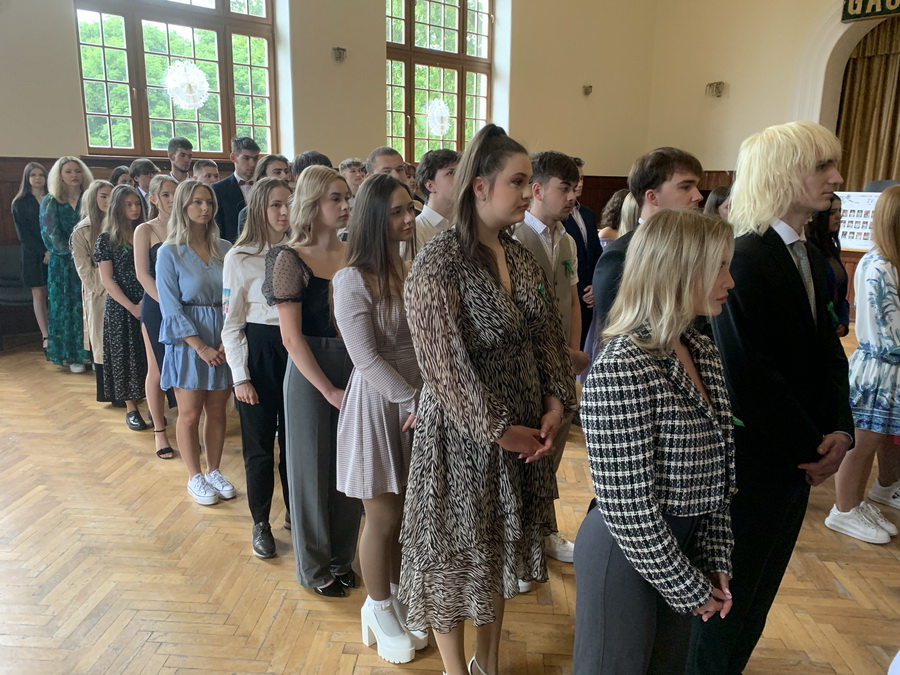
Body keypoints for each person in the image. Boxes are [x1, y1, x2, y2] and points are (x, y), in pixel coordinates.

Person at [400, 124, 576, 675]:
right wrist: (499, 428)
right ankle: (457, 670)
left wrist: (555, 403)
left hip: (522, 434)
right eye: (517, 182)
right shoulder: (439, 262)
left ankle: (488, 663)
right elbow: (442, 365)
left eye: (528, 182)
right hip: (461, 439)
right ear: (480, 186)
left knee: (496, 552)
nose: (528, 193)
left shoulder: (520, 256)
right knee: (455, 558)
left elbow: (548, 337)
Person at [686, 121, 854, 675]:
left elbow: (828, 351)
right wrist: (814, 447)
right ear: (783, 175)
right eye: (823, 167)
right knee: (730, 599)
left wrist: (841, 430)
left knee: (759, 594)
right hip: (755, 463)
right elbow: (748, 377)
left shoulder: (806, 252)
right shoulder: (745, 256)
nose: (837, 177)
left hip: (795, 458)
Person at [575, 209, 736, 674]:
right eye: (719, 267)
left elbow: (720, 469)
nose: (729, 281)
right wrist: (687, 584)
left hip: (679, 551)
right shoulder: (622, 365)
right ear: (678, 270)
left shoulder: (699, 349)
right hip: (625, 553)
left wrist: (715, 557)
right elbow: (627, 507)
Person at [333, 173, 424, 664]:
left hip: (418, 401)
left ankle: (398, 595)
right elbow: (365, 358)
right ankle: (378, 607)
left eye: (411, 208)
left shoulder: (411, 269)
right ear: (373, 218)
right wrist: (411, 400)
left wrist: (428, 396)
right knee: (382, 516)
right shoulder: (351, 279)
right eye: (397, 212)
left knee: (406, 513)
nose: (409, 219)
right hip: (379, 403)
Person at [263, 165, 361, 597]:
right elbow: (291, 337)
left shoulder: (353, 252)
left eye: (346, 197)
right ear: (312, 202)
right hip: (310, 370)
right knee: (310, 470)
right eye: (334, 198)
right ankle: (315, 567)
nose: (344, 205)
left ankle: (342, 557)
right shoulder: (290, 257)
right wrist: (328, 389)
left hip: (355, 364)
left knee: (351, 466)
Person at [513, 150, 587, 570]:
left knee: (553, 453)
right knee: (528, 454)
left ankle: (543, 530)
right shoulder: (515, 237)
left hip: (560, 363)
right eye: (565, 188)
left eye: (575, 187)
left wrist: (572, 353)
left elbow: (572, 300)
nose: (573, 195)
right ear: (538, 189)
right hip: (527, 365)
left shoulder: (567, 239)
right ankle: (520, 543)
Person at [222, 177, 292, 558]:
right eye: (276, 205)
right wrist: (241, 377)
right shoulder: (240, 257)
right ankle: (261, 521)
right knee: (260, 445)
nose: (284, 212)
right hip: (260, 351)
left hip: (296, 350)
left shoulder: (299, 249)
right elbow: (231, 325)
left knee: (295, 443)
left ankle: (296, 511)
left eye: (288, 204)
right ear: (260, 209)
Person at [826, 186, 900, 544]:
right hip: (879, 369)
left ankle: (868, 496)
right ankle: (843, 509)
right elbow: (891, 332)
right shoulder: (879, 266)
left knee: (880, 438)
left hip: (890, 368)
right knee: (862, 442)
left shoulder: (890, 261)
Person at [156, 180, 235, 505]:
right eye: (197, 202)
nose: (205, 208)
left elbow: (235, 296)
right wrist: (200, 346)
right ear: (183, 207)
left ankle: (214, 469)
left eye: (209, 202)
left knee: (217, 411)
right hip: (189, 340)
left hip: (223, 335)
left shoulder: (225, 248)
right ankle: (194, 475)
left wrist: (228, 339)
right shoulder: (169, 252)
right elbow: (170, 307)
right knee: (189, 413)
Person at [590, 148, 703, 341]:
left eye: (696, 187)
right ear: (652, 197)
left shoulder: (694, 248)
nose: (698, 196)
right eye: (685, 187)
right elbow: (615, 336)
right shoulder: (620, 256)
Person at [95, 185, 149, 430]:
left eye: (137, 203)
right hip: (122, 304)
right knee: (125, 356)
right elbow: (107, 280)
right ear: (117, 207)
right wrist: (131, 306)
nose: (134, 208)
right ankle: (131, 408)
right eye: (128, 205)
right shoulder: (107, 239)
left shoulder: (146, 232)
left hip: (148, 298)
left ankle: (154, 404)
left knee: (149, 355)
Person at [134, 174, 179, 459]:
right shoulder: (145, 229)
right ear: (153, 199)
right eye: (165, 194)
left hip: (186, 305)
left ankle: (186, 428)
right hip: (156, 306)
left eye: (176, 192)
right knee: (158, 370)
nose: (172, 199)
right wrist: (167, 305)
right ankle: (160, 431)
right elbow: (143, 274)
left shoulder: (188, 226)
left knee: (184, 369)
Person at [40, 156, 94, 372]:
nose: (74, 175)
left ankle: (93, 353)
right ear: (60, 176)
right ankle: (73, 356)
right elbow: (51, 235)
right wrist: (77, 254)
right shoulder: (50, 201)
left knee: (89, 307)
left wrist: (89, 254)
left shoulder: (89, 198)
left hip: (90, 261)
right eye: (69, 172)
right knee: (67, 308)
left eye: (77, 171)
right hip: (63, 264)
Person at [71, 179, 113, 402]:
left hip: (124, 288)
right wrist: (105, 286)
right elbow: (83, 268)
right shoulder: (83, 230)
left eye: (111, 196)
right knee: (101, 339)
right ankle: (108, 392)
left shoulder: (120, 224)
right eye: (103, 196)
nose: (107, 200)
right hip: (98, 291)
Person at [563, 157, 602, 350]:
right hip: (571, 295)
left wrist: (595, 285)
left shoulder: (588, 214)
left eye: (582, 178)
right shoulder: (559, 216)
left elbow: (596, 254)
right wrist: (579, 291)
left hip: (589, 294)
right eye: (575, 179)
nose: (579, 184)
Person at [11, 162, 49, 350]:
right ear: (27, 179)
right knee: (39, 294)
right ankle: (46, 335)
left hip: (55, 253)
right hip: (32, 254)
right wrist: (44, 252)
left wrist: (52, 250)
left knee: (55, 294)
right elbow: (24, 235)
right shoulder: (19, 202)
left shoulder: (52, 199)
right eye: (33, 175)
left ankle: (59, 332)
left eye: (41, 174)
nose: (38, 178)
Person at [807, 196, 850, 337]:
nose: (839, 216)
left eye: (840, 210)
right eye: (832, 212)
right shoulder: (807, 248)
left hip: (832, 327)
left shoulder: (830, 247)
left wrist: (843, 320)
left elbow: (840, 293)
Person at [212, 136, 260, 242]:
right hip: (232, 245)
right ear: (233, 157)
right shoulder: (218, 189)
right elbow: (218, 227)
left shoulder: (263, 186)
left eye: (255, 158)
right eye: (246, 158)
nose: (253, 164)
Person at [236, 153, 291, 236]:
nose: (284, 176)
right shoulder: (247, 213)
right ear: (262, 177)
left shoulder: (296, 206)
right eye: (277, 172)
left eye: (286, 172)